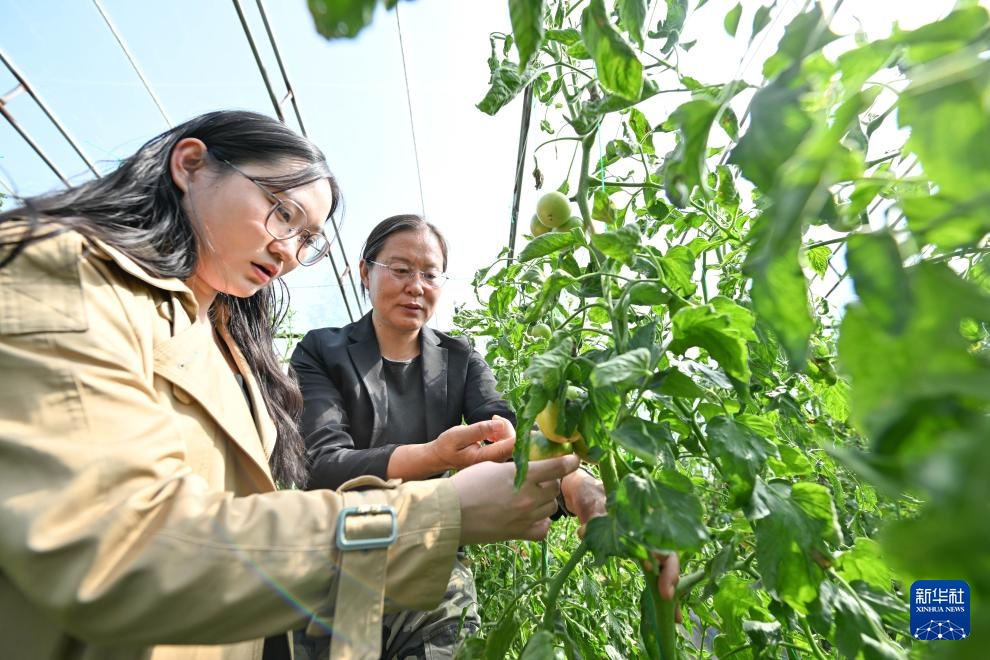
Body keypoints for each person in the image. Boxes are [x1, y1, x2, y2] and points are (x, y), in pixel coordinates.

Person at [0, 110, 580, 660]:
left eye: (306, 239)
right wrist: (439, 501)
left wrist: (569, 476)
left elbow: (506, 426)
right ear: (191, 164)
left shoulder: (231, 344)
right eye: (281, 212)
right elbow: (123, 542)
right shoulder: (69, 277)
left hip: (300, 590)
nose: (289, 252)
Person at [289, 215, 680, 658]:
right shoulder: (322, 351)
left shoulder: (459, 358)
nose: (416, 286)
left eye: (430, 274)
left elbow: (507, 435)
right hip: (341, 550)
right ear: (365, 272)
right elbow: (320, 465)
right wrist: (435, 455)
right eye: (400, 270)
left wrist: (581, 488)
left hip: (431, 556)